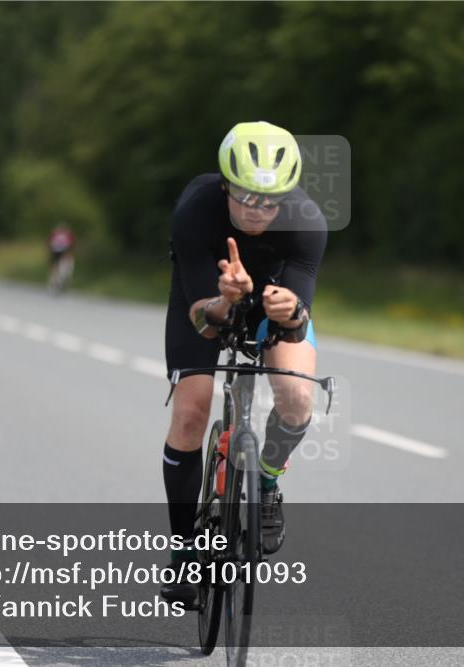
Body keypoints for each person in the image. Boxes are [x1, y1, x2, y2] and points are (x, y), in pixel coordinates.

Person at [160, 121, 327, 605]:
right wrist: (224, 300)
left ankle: (268, 478)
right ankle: (185, 552)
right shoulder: (196, 209)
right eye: (246, 197)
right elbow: (201, 321)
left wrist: (290, 310)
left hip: (273, 300)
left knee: (297, 398)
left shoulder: (307, 220)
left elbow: (299, 316)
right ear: (227, 184)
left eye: (269, 201)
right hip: (205, 300)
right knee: (192, 411)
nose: (257, 211)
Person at [47, 223, 76, 291]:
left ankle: (54, 281)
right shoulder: (68, 234)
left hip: (55, 250)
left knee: (55, 266)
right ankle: (61, 279)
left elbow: (49, 243)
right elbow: (72, 243)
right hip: (64, 250)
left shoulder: (54, 233)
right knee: (65, 265)